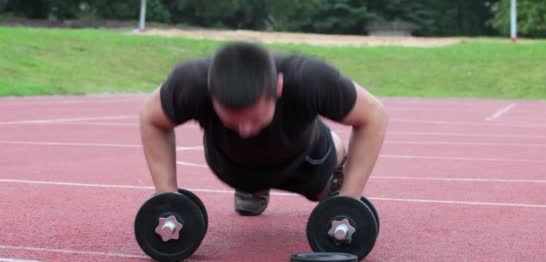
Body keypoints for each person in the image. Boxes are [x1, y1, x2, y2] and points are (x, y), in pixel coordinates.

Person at [139, 41, 388, 216]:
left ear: (278, 89)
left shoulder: (309, 79)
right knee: (246, 187)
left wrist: (349, 200)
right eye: (234, 121)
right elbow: (151, 117)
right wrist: (166, 196)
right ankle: (254, 189)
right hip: (231, 167)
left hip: (306, 161)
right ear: (211, 95)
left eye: (255, 118)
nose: (246, 130)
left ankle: (336, 154)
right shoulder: (191, 83)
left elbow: (373, 115)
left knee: (324, 186)